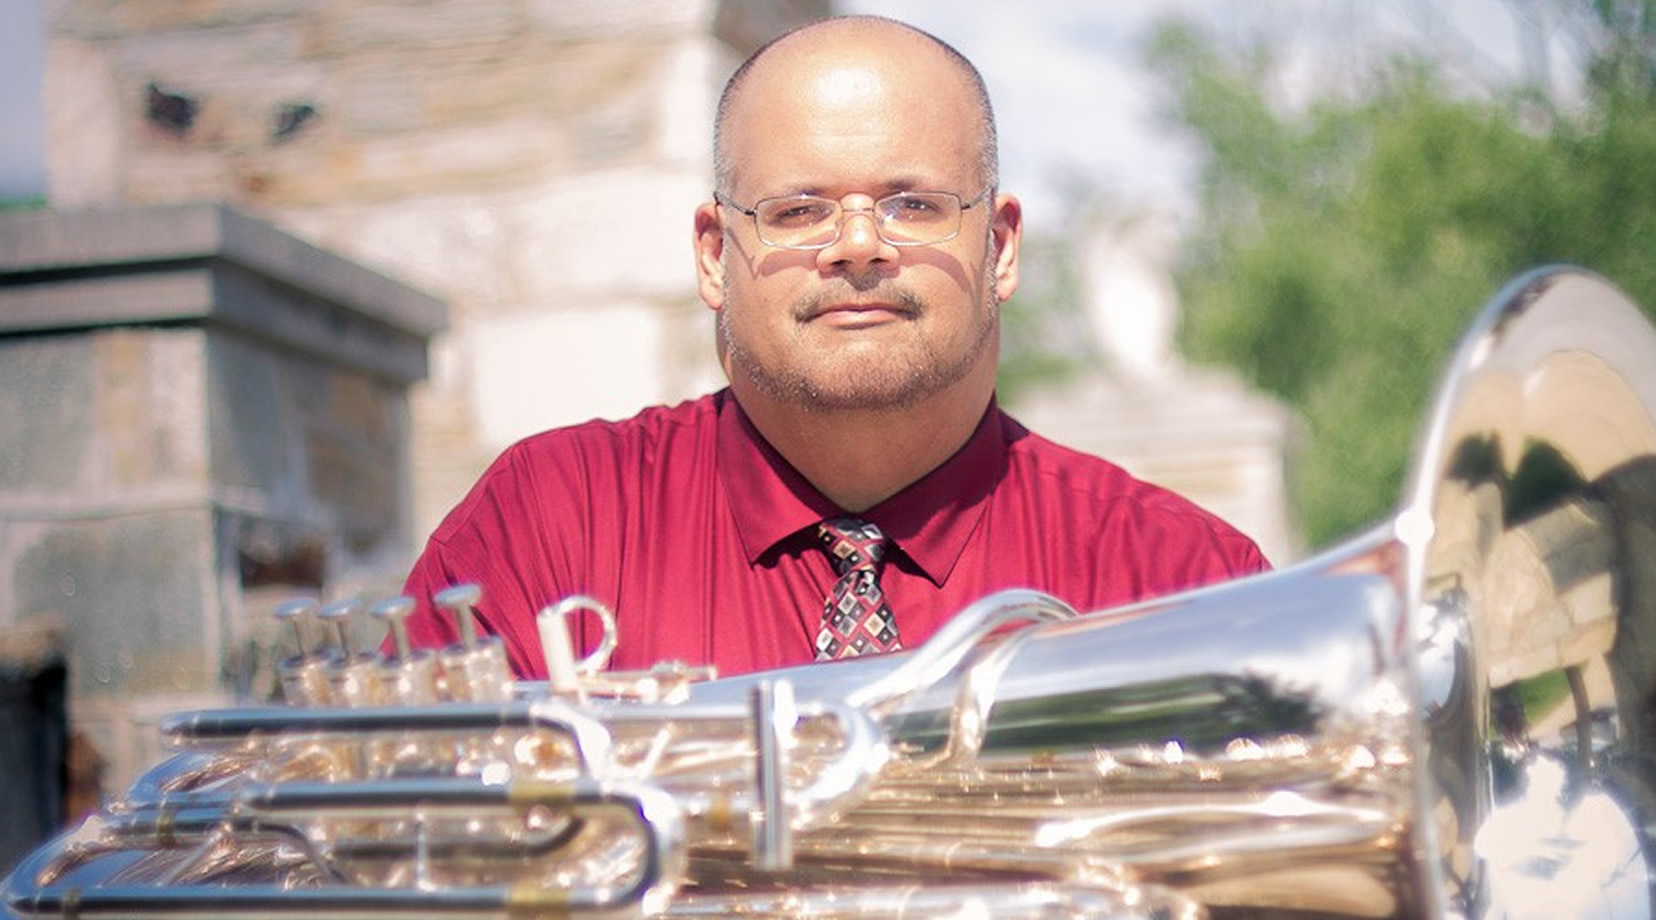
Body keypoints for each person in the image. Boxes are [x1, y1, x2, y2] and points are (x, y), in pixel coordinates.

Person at [398, 15, 1268, 679]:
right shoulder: (545, 533)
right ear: (713, 255)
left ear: (1000, 249)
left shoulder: (1185, 581)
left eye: (913, 204)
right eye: (799, 209)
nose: (858, 246)